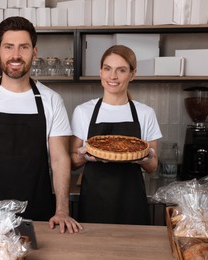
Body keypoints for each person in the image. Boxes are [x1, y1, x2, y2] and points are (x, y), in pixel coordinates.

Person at [0, 16, 82, 233]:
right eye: (8, 47)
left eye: (24, 47)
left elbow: (60, 159)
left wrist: (62, 210)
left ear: (35, 51)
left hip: (41, 217)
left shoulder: (51, 100)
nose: (15, 55)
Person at [70, 45, 162, 225]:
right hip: (94, 200)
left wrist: (143, 159)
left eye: (121, 70)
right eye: (107, 69)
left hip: (132, 202)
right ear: (100, 72)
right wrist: (86, 157)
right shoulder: (83, 111)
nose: (113, 76)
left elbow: (153, 166)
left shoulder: (145, 113)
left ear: (132, 74)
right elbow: (72, 161)